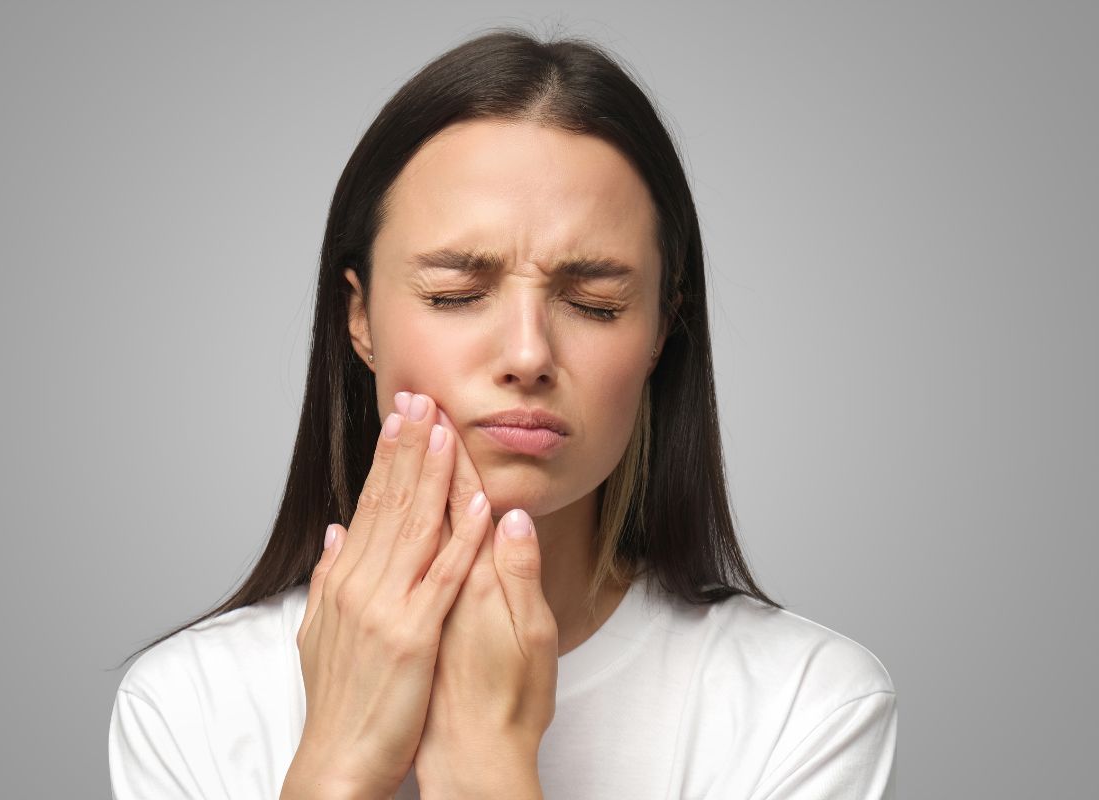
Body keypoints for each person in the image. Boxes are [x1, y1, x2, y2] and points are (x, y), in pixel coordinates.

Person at [108, 27, 897, 799]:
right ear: (360, 320)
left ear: (661, 331)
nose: (527, 353)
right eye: (456, 294)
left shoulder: (807, 706)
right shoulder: (190, 705)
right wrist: (336, 775)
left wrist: (485, 765)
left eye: (594, 304)